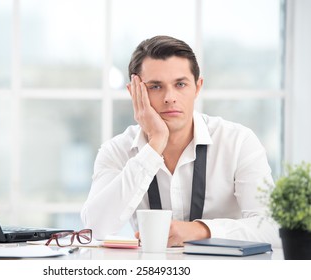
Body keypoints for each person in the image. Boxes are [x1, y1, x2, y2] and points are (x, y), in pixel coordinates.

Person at [80, 35, 280, 248]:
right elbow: (95, 228)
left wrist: (201, 230)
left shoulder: (238, 142)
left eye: (181, 84)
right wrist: (155, 144)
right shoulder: (116, 151)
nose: (170, 97)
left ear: (197, 87)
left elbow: (273, 228)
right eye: (155, 86)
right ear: (134, 92)